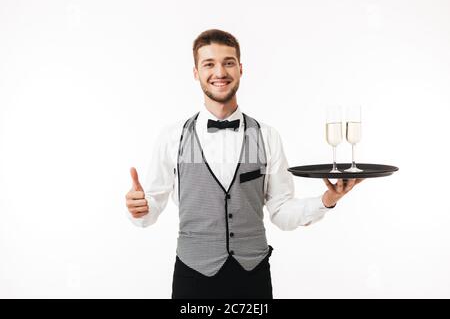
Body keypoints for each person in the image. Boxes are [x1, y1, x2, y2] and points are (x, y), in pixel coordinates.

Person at [125, 29, 363, 299]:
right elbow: (150, 209)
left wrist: (327, 199)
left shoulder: (266, 135)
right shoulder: (172, 137)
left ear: (240, 68)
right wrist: (139, 209)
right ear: (195, 73)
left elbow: (281, 211)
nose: (219, 72)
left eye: (228, 62)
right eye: (209, 64)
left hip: (253, 277)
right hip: (193, 276)